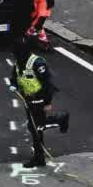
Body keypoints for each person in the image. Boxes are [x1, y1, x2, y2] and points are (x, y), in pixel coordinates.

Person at [9, 36, 70, 168]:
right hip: (28, 100)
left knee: (36, 129)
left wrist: (48, 103)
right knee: (37, 127)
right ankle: (60, 119)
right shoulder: (18, 63)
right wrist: (13, 84)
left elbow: (48, 84)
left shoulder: (38, 63)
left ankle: (39, 158)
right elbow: (14, 76)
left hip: (40, 99)